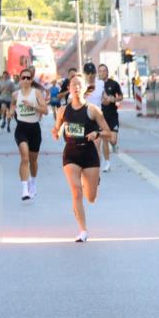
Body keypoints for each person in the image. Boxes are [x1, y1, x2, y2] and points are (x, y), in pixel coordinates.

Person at [51, 73, 115, 242]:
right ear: (69, 88)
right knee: (76, 191)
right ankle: (83, 230)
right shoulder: (63, 110)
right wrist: (56, 133)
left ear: (85, 88)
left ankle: (94, 182)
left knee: (91, 198)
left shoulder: (93, 110)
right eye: (73, 85)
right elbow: (56, 128)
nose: (76, 87)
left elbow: (110, 135)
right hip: (71, 153)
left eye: (80, 84)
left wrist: (97, 133)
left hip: (89, 154)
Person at [9, 67, 48, 201]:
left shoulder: (36, 93)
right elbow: (12, 107)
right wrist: (10, 112)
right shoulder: (15, 95)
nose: (25, 80)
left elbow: (46, 110)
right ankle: (24, 189)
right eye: (23, 77)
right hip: (21, 129)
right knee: (24, 158)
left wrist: (33, 106)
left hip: (34, 129)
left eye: (28, 78)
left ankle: (33, 182)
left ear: (31, 80)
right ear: (20, 80)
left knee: (33, 160)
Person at [96, 63, 122, 172]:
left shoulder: (113, 84)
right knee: (104, 139)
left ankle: (115, 145)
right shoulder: (95, 85)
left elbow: (120, 96)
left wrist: (113, 99)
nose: (102, 72)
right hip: (101, 116)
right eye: (100, 71)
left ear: (107, 72)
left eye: (104, 70)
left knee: (113, 140)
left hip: (112, 115)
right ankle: (107, 163)